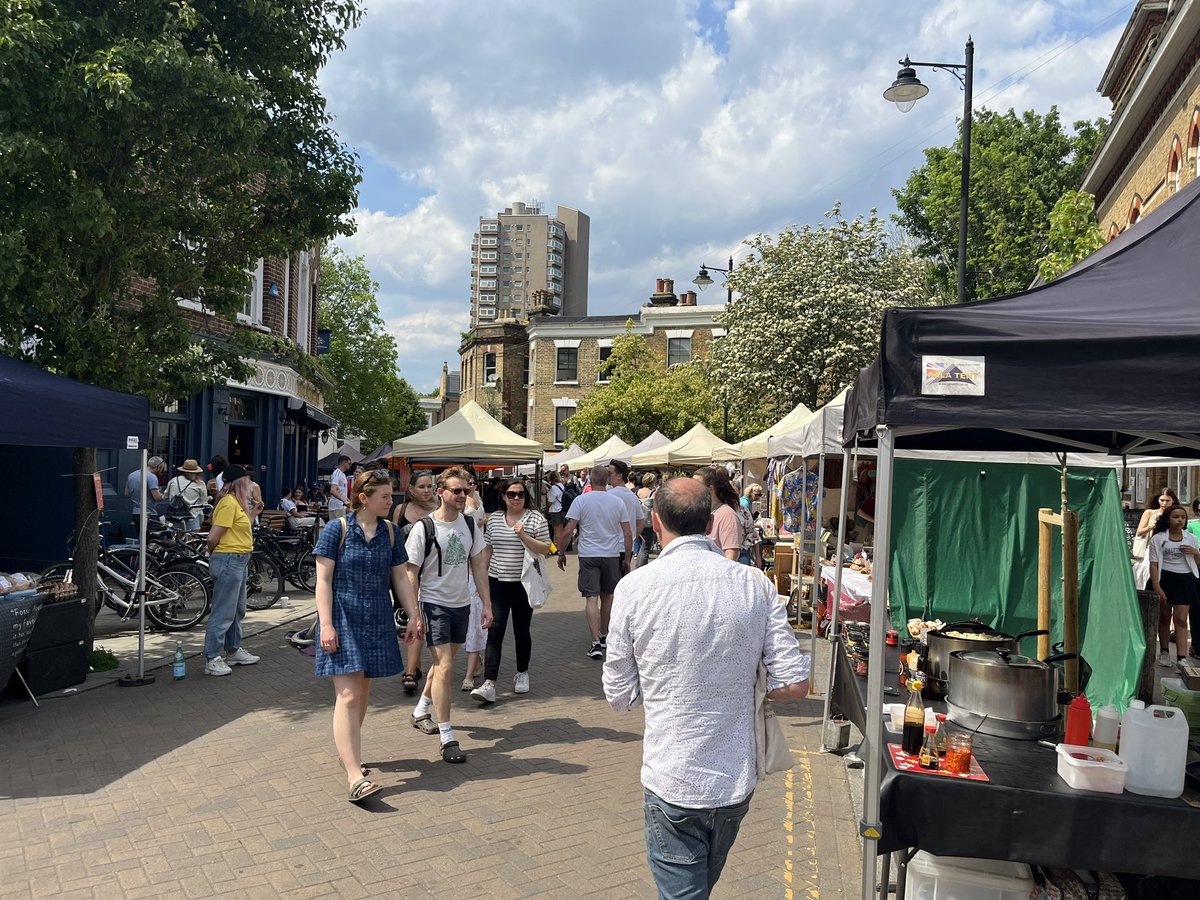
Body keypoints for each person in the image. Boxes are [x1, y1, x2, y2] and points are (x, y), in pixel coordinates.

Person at [602, 477, 810, 897]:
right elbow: (795, 683)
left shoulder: (634, 588)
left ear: (655, 522)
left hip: (673, 778)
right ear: (710, 518)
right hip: (734, 780)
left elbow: (619, 695)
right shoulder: (753, 583)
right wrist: (743, 684)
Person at [313, 469, 422, 803]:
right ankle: (354, 775)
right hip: (343, 617)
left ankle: (351, 754)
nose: (392, 501)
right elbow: (323, 581)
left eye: (392, 496)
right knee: (347, 695)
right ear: (364, 498)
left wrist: (414, 615)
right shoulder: (337, 529)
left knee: (361, 692)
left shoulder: (391, 532)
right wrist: (326, 624)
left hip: (376, 618)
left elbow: (401, 579)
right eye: (385, 497)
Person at [405, 468, 493, 764]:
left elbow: (479, 566)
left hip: (461, 604)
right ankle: (447, 737)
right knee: (444, 667)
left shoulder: (470, 524)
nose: (461, 496)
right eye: (456, 491)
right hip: (434, 604)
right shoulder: (424, 528)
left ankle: (420, 710)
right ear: (441, 492)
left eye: (465, 491)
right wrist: (414, 612)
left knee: (443, 664)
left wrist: (487, 604)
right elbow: (411, 572)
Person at [471, 477, 552, 703]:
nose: (516, 498)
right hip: (497, 582)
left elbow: (545, 548)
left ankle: (522, 672)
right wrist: (482, 581)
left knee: (521, 631)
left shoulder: (535, 518)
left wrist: (523, 535)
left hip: (523, 584)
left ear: (526, 496)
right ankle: (489, 683)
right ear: (504, 497)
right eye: (511, 494)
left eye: (521, 494)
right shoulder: (495, 519)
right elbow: (487, 550)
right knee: (494, 632)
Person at [556, 464, 633, 659]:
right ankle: (605, 635)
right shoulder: (617, 502)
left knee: (591, 597)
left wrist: (561, 552)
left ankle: (595, 641)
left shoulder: (581, 501)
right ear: (607, 479)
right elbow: (627, 532)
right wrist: (627, 558)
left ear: (590, 479)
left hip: (589, 554)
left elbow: (568, 530)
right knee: (607, 596)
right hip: (611, 554)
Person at [203, 465, 260, 676]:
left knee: (236, 609)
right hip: (230, 559)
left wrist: (254, 513)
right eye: (247, 480)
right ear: (239, 483)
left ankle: (233, 649)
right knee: (224, 610)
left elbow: (237, 530)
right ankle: (212, 656)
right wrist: (216, 555)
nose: (250, 484)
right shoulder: (228, 503)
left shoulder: (235, 503)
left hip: (238, 558)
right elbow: (212, 537)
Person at [391, 470, 440, 693]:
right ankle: (413, 667)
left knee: (423, 621)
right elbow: (392, 540)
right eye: (422, 486)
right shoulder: (400, 510)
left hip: (431, 574)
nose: (426, 490)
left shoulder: (439, 512)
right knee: (412, 619)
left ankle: (412, 669)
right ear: (411, 489)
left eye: (430, 486)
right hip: (404, 574)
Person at [1149, 503, 1200, 667]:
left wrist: (1196, 553)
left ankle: (1182, 658)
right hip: (1165, 577)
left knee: (1181, 619)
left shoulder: (1190, 538)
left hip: (1185, 579)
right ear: (1168, 519)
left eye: (1183, 517)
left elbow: (1198, 564)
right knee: (1164, 617)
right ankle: (1164, 651)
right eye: (1176, 517)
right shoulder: (1158, 539)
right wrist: (1157, 586)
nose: (1180, 520)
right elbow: (1154, 564)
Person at [694, 466, 743, 562]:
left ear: (710, 488)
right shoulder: (702, 511)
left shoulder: (727, 515)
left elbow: (731, 555)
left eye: (696, 485)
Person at [606, 459, 644, 560]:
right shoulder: (632, 496)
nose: (607, 476)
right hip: (626, 547)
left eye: (610, 473)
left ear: (619, 476)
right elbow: (641, 522)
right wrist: (632, 538)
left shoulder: (608, 495)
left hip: (610, 548)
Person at [163, 459, 208, 531]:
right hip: (192, 516)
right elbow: (204, 502)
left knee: (173, 538)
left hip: (174, 515)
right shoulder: (200, 484)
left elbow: (165, 496)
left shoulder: (174, 481)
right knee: (193, 539)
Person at [125, 455, 165, 530]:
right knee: (153, 539)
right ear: (159, 467)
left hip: (135, 513)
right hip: (149, 513)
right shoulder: (152, 477)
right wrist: (165, 495)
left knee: (141, 537)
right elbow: (157, 497)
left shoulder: (132, 475)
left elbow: (127, 493)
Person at [635, 473, 659, 568]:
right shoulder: (653, 493)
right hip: (648, 522)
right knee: (645, 548)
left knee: (641, 546)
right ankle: (640, 568)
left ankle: (638, 566)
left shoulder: (638, 492)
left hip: (638, 520)